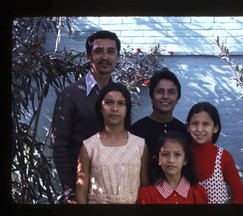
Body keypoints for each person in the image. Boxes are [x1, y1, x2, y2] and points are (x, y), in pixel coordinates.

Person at [50, 30, 121, 203]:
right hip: (82, 192)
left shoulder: (121, 96)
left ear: (117, 57)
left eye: (111, 51)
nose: (105, 56)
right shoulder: (70, 95)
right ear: (88, 56)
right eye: (98, 51)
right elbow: (58, 146)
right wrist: (71, 192)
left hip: (114, 190)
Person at [76, 82, 150, 204]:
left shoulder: (140, 146)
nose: (115, 108)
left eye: (121, 103)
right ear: (100, 107)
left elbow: (145, 187)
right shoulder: (89, 147)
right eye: (109, 102)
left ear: (127, 109)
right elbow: (81, 192)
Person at [186, 102, 243, 204]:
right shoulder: (182, 154)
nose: (199, 129)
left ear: (215, 128)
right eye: (195, 123)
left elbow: (239, 196)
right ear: (188, 127)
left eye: (206, 124)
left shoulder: (223, 157)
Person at [129, 67, 188, 162]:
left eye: (171, 92)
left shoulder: (184, 132)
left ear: (177, 98)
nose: (165, 96)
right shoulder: (136, 132)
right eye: (160, 91)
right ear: (152, 96)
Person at [137, 130, 208, 204]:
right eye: (165, 154)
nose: (171, 160)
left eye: (177, 155)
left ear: (185, 160)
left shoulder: (197, 192)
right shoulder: (147, 194)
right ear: (158, 159)